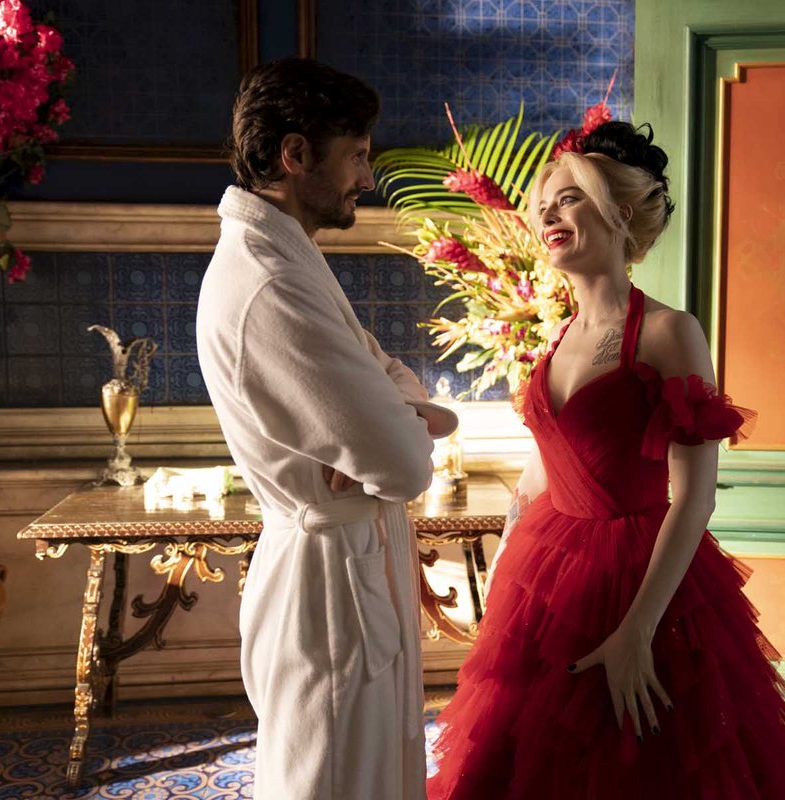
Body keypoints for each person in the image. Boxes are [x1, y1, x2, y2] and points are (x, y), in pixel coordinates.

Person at [426, 121, 785, 799]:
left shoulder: (670, 331)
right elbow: (546, 463)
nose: (548, 215)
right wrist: (511, 555)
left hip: (639, 575)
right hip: (545, 571)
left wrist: (639, 628)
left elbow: (694, 495)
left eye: (569, 198)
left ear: (621, 212)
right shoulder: (559, 336)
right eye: (542, 204)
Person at [196, 58, 455, 800]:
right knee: (330, 782)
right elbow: (404, 464)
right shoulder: (270, 281)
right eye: (357, 155)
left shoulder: (288, 255)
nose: (367, 179)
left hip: (350, 564)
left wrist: (398, 407)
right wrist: (401, 423)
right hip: (328, 590)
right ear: (296, 154)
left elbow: (394, 379)